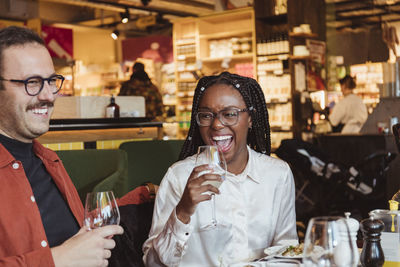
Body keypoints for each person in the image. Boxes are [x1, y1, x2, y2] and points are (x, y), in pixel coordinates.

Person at [0, 25, 151, 267]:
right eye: (32, 82)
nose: (48, 96)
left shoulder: (49, 161)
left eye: (51, 81)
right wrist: (57, 260)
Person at [143, 72, 298, 266]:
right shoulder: (179, 176)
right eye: (206, 115)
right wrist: (182, 211)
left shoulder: (277, 174)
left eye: (230, 114)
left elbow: (288, 253)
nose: (216, 124)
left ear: (250, 118)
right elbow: (152, 263)